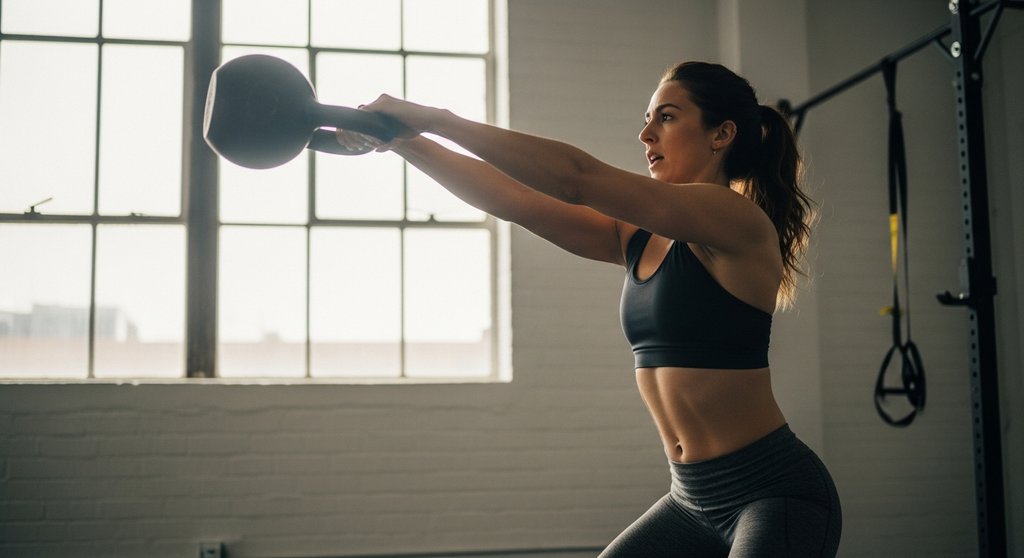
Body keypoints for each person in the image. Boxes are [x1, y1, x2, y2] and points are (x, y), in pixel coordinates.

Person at [338, 61, 841, 557]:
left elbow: (575, 178)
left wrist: (432, 118)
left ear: (721, 134)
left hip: (773, 494)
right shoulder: (639, 236)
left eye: (666, 117)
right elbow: (513, 200)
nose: (646, 134)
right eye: (648, 118)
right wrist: (403, 141)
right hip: (691, 499)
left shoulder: (734, 218)